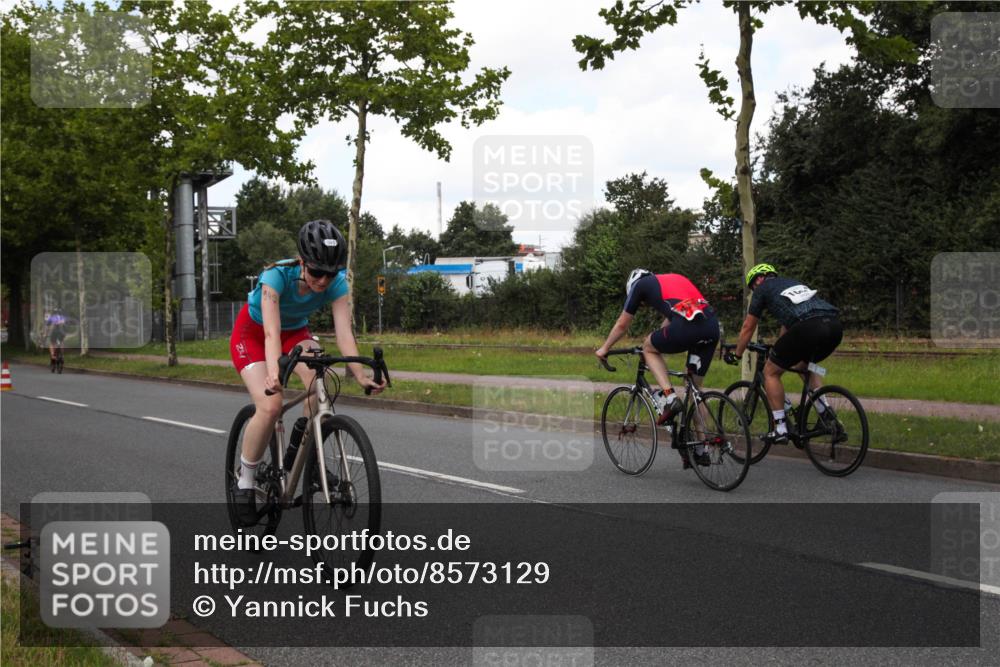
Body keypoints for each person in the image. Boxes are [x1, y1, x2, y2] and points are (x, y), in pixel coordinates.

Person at [229, 220, 385, 525]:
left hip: (294, 333)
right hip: (253, 333)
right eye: (317, 272)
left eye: (330, 273)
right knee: (271, 404)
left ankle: (301, 448)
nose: (324, 281)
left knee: (322, 381)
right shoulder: (275, 276)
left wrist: (359, 373)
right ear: (302, 263)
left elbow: (344, 334)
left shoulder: (338, 283)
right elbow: (271, 334)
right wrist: (275, 374)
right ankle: (245, 481)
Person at [596, 269, 721, 467]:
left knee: (649, 348)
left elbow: (622, 324)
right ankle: (701, 448)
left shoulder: (640, 285)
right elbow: (672, 317)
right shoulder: (675, 278)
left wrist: (604, 349)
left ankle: (670, 397)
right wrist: (657, 333)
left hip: (687, 327)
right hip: (712, 327)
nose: (644, 304)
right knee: (695, 390)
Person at [726, 263, 842, 443]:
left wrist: (737, 354)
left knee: (770, 372)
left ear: (759, 279)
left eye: (752, 286)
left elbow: (748, 327)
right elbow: (788, 323)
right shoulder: (791, 283)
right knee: (805, 366)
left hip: (808, 327)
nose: (753, 289)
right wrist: (781, 347)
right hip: (834, 326)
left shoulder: (762, 288)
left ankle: (780, 429)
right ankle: (826, 415)